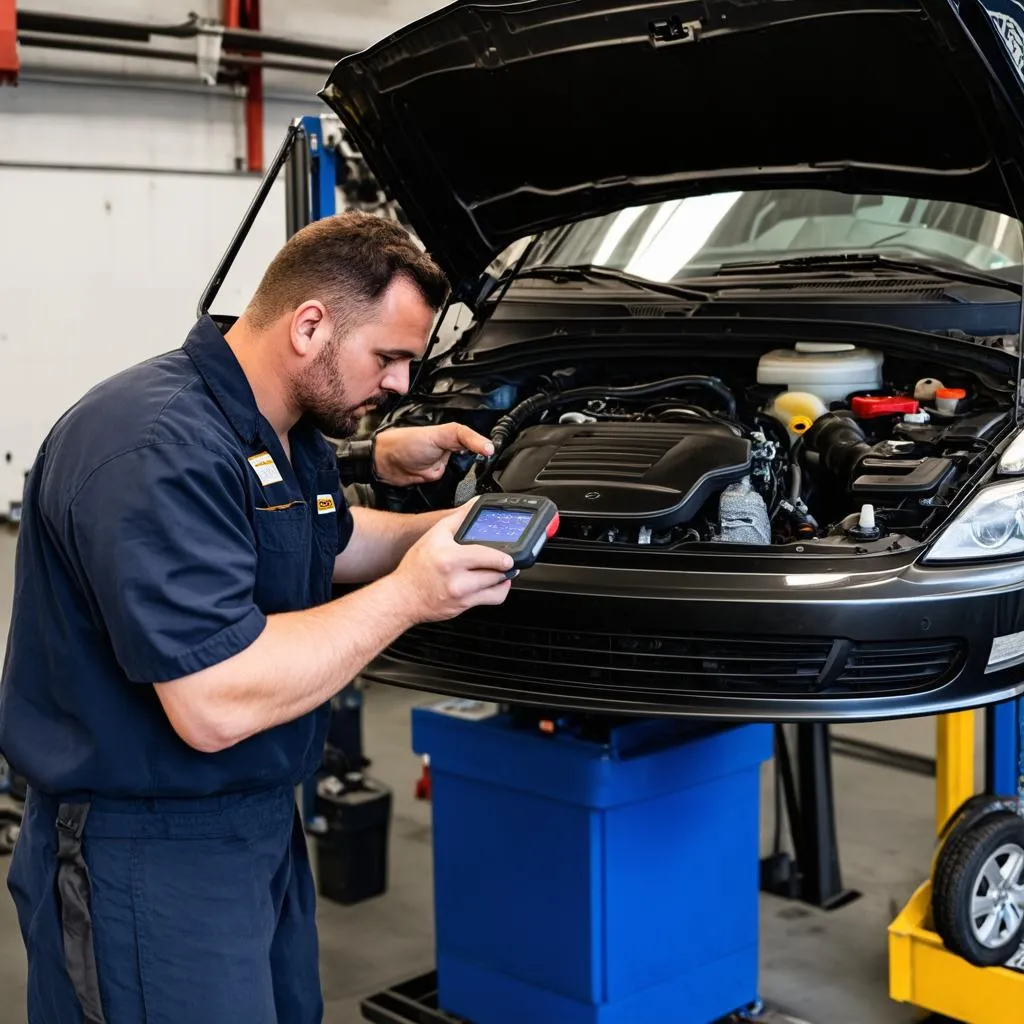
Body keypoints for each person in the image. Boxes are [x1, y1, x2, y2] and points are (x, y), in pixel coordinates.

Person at [0, 210, 515, 1023]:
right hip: (143, 847)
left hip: (257, 821)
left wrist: (444, 534)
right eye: (389, 357)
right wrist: (414, 594)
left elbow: (331, 540)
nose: (400, 387)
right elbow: (213, 701)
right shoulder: (154, 445)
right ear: (310, 326)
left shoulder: (276, 427)